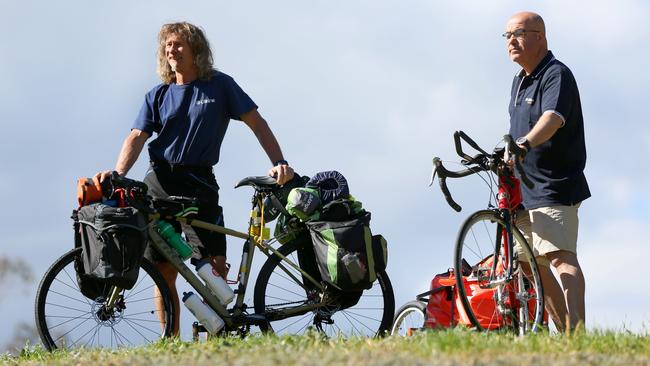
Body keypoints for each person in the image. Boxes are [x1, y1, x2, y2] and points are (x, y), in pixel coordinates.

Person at [97, 21, 294, 335]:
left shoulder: (219, 86)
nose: (171, 51)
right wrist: (118, 174)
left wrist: (279, 162)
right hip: (160, 184)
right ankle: (171, 342)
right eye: (167, 46)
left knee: (214, 267)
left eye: (178, 45)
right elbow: (136, 136)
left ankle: (221, 330)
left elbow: (256, 122)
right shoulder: (158, 95)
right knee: (164, 272)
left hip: (199, 184)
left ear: (196, 50)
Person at [503, 11, 590, 332]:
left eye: (520, 33)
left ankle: (577, 334)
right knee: (527, 263)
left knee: (560, 257)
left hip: (555, 184)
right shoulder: (519, 80)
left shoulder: (556, 74)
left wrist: (523, 144)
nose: (512, 40)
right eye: (507, 35)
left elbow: (552, 119)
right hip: (523, 190)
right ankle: (565, 329)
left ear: (541, 37)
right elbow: (517, 130)